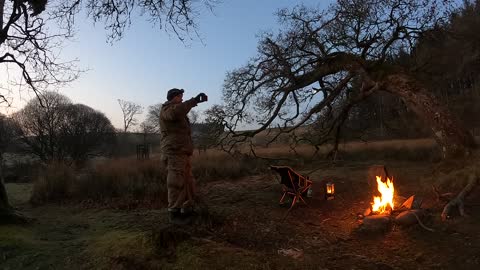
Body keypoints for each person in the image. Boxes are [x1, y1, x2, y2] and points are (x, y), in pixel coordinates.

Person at [159, 88, 207, 225]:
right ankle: (174, 214)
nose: (181, 98)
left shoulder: (177, 110)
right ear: (173, 97)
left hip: (182, 152)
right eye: (180, 96)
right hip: (173, 153)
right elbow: (175, 113)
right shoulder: (167, 110)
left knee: (188, 182)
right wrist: (194, 101)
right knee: (175, 183)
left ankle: (186, 209)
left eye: (182, 96)